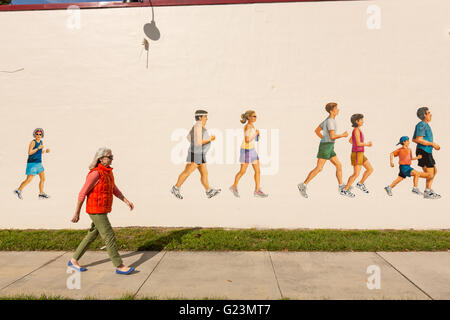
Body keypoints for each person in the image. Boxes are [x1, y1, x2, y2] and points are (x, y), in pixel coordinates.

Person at [70, 148, 135, 275]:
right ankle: (119, 265)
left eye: (112, 157)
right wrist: (76, 213)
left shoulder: (108, 173)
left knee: (92, 234)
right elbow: (82, 193)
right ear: (101, 158)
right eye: (109, 157)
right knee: (109, 235)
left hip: (102, 209)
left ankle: (73, 260)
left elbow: (113, 189)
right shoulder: (95, 174)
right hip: (95, 210)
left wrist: (126, 200)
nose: (111, 159)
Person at [297, 102, 348, 198]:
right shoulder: (330, 121)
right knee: (319, 168)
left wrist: (324, 138)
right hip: (326, 147)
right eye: (336, 109)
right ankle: (303, 185)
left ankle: (341, 186)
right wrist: (343, 135)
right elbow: (332, 136)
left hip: (328, 145)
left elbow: (316, 130)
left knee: (338, 165)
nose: (338, 110)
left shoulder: (328, 120)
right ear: (331, 111)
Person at [171, 110, 221, 199]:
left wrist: (196, 144)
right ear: (199, 117)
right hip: (196, 154)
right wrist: (210, 139)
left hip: (199, 153)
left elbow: (188, 137)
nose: (207, 118)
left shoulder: (197, 126)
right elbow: (198, 142)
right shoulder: (198, 127)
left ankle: (209, 191)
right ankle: (175, 188)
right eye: (205, 117)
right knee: (187, 172)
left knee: (204, 173)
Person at [229, 110, 268, 198]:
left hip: (252, 150)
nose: (255, 117)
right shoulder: (248, 126)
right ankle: (234, 186)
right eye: (254, 116)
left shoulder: (252, 126)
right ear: (249, 117)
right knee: (243, 171)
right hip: (246, 151)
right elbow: (247, 140)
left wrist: (258, 135)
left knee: (257, 171)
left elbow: (256, 139)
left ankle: (257, 190)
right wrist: (255, 134)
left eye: (256, 116)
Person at [341, 114, 374, 197]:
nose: (363, 121)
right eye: (361, 120)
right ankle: (345, 190)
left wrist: (356, 145)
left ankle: (360, 183)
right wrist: (367, 144)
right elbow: (358, 143)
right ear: (356, 121)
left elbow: (350, 140)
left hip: (360, 153)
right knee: (356, 174)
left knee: (370, 169)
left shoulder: (358, 130)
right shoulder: (356, 130)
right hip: (357, 154)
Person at [412, 107, 441, 199]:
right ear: (424, 115)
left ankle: (427, 191)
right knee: (430, 174)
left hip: (426, 151)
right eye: (428, 113)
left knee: (434, 171)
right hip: (424, 151)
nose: (430, 114)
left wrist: (428, 145)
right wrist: (432, 144)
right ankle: (416, 176)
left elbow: (414, 139)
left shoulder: (423, 125)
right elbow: (418, 139)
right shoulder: (422, 124)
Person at [14, 128, 50, 200]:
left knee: (43, 179)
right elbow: (29, 152)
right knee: (29, 180)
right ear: (35, 135)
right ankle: (18, 190)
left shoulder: (41, 142)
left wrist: (45, 151)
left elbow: (39, 152)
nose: (38, 135)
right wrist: (38, 148)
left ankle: (41, 193)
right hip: (32, 163)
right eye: (37, 134)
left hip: (39, 163)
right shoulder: (33, 142)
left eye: (40, 134)